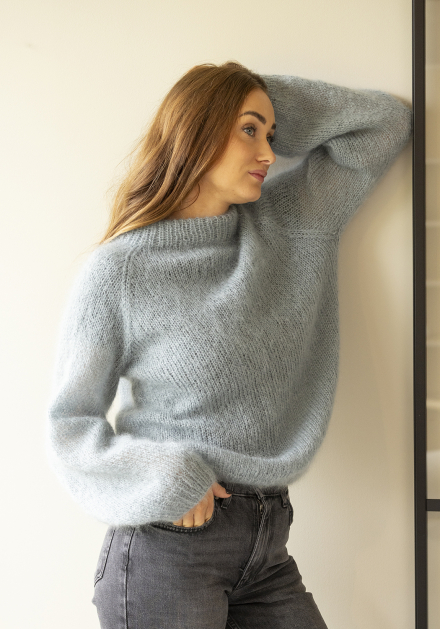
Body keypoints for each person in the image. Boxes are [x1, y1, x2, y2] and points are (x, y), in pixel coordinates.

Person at [45, 61, 412, 629]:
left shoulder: (290, 223)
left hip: (268, 545)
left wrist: (257, 95)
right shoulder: (120, 272)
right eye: (249, 130)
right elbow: (70, 423)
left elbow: (384, 124)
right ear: (195, 129)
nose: (268, 152)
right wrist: (166, 477)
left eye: (271, 133)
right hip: (169, 545)